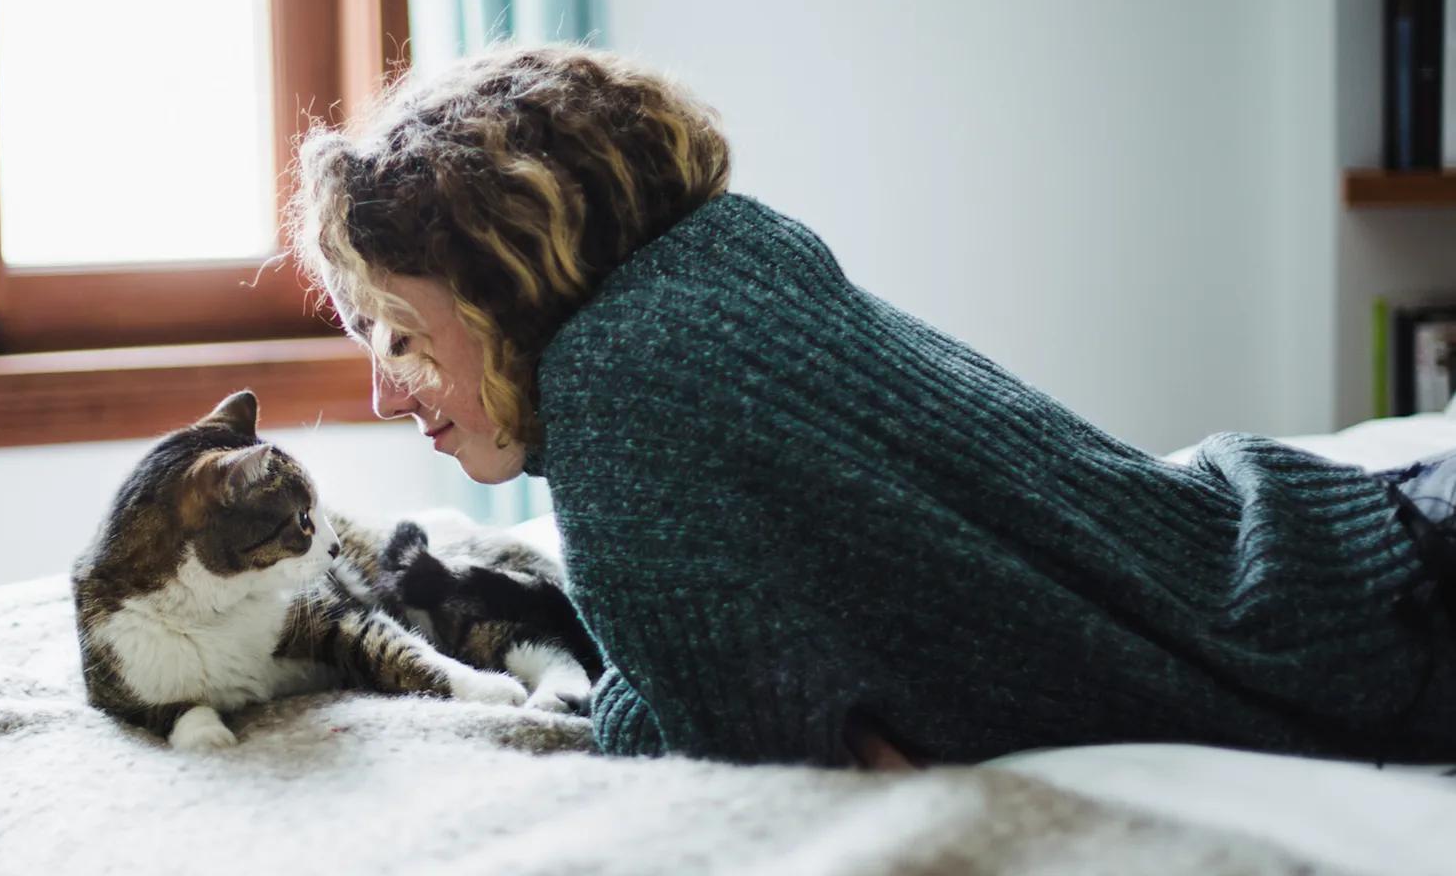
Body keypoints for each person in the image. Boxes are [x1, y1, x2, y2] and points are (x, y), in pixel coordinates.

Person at [288, 44, 1456, 768]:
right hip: (1342, 537)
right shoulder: (722, 261)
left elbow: (731, 741)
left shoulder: (614, 388)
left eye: (402, 336)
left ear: (500, 283)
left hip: (1378, 619)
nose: (391, 391)